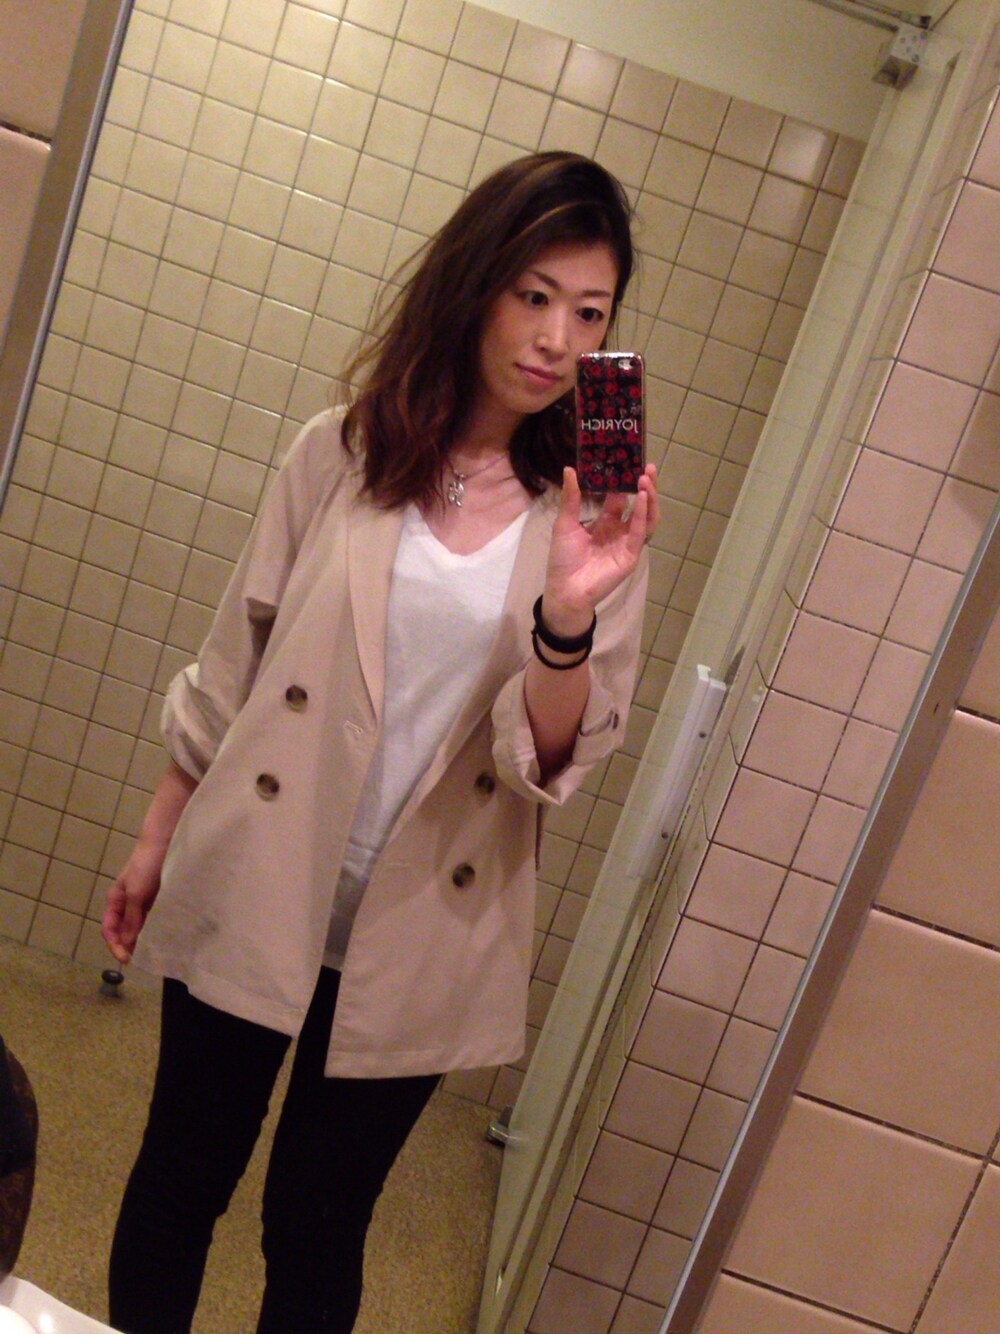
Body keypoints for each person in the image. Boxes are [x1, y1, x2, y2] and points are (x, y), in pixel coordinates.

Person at [102, 150, 660, 1333]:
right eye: (533, 295)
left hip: (425, 920)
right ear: (476, 284)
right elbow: (235, 656)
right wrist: (156, 838)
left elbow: (552, 760)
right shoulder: (343, 450)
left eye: (589, 311)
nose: (556, 339)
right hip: (263, 864)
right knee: (180, 1177)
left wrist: (570, 611)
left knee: (316, 1225)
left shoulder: (592, 518)